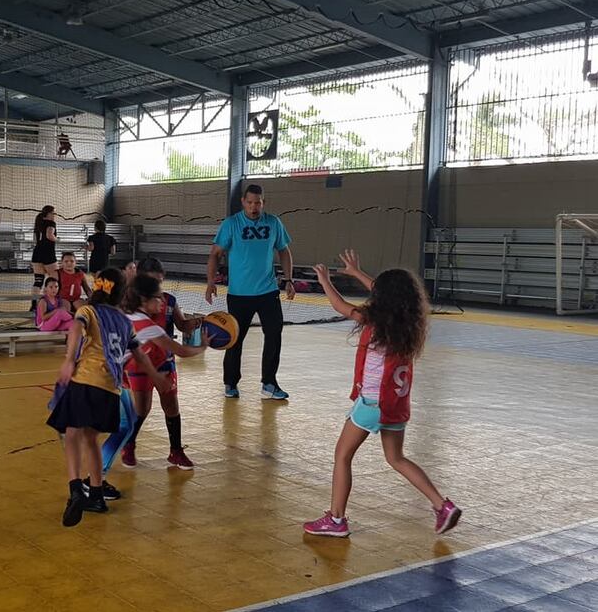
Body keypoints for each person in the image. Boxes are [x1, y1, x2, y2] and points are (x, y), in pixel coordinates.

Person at [303, 250, 461, 537]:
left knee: (342, 455)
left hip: (372, 403)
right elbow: (386, 291)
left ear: (383, 298)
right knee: (396, 458)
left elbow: (339, 305)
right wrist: (356, 272)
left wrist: (325, 280)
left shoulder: (373, 321)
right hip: (395, 403)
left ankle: (336, 519)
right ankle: (442, 505)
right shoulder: (409, 323)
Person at [47, 268, 169, 527]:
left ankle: (76, 489)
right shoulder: (124, 321)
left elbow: (76, 330)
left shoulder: (88, 311)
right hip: (111, 388)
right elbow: (139, 354)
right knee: (91, 437)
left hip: (86, 380)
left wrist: (69, 361)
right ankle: (97, 494)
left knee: (71, 433)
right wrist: (156, 376)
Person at [110, 273, 208, 472]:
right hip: (134, 370)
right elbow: (182, 350)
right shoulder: (148, 327)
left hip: (155, 364)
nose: (162, 300)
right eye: (157, 297)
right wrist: (203, 346)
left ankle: (175, 451)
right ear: (144, 299)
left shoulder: (129, 315)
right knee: (139, 412)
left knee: (170, 407)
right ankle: (100, 475)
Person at [205, 184, 295, 400]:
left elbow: (284, 250)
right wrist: (210, 281)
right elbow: (215, 253)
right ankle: (230, 382)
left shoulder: (273, 223)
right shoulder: (232, 224)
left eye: (258, 202)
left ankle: (269, 384)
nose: (254, 207)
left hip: (268, 292)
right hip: (239, 294)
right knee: (235, 339)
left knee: (274, 335)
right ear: (243, 202)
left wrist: (289, 279)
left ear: (264, 202)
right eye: (250, 202)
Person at [30, 205, 59, 311]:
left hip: (37, 253)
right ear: (49, 214)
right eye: (53, 213)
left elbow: (35, 240)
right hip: (48, 254)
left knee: (38, 280)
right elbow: (49, 235)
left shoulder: (38, 223)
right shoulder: (51, 223)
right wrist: (58, 239)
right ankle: (53, 303)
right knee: (56, 279)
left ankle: (34, 304)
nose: (55, 215)